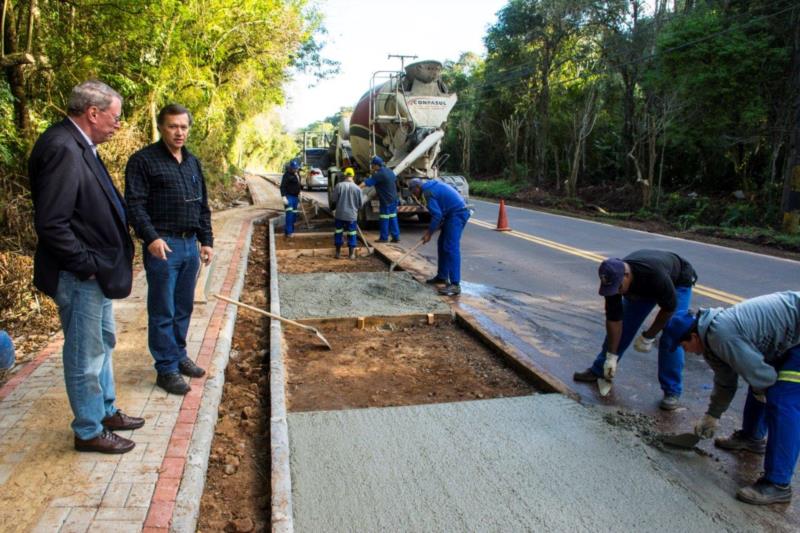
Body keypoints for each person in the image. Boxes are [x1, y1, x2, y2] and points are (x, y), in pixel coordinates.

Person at [29, 80, 143, 454]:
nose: (118, 124)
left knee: (103, 343)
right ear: (93, 113)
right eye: (115, 116)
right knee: (85, 354)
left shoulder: (81, 145)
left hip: (96, 274)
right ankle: (89, 429)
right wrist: (87, 265)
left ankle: (105, 410)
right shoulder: (62, 147)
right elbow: (52, 223)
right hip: (80, 277)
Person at [662, 291, 800, 505]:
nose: (687, 351)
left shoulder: (721, 335)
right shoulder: (710, 340)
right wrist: (712, 416)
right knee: (758, 382)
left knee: (782, 399)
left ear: (694, 337)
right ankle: (751, 437)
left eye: (684, 346)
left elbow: (763, 377)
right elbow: (727, 383)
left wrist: (762, 390)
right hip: (788, 337)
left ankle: (778, 484)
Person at [125, 104, 213, 396]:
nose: (179, 132)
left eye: (184, 127)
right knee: (163, 309)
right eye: (173, 126)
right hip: (163, 246)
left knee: (183, 307)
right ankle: (166, 369)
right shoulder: (143, 161)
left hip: (190, 246)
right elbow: (134, 205)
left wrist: (207, 240)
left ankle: (178, 355)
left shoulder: (192, 162)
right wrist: (150, 238)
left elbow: (202, 206)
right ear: (161, 127)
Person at [573, 250, 697, 410]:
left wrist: (649, 336)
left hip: (676, 282)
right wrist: (611, 356)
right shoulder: (613, 280)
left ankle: (672, 391)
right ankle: (600, 370)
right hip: (642, 288)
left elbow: (668, 309)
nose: (616, 292)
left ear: (626, 275)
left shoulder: (654, 275)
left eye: (619, 288)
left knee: (673, 333)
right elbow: (614, 320)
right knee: (624, 326)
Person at [408, 178, 470, 296]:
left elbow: (437, 215)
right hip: (451, 214)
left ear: (417, 187)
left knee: (451, 248)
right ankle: (442, 276)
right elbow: (440, 213)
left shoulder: (428, 193)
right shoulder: (430, 187)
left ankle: (455, 284)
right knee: (442, 244)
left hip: (457, 214)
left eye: (412, 191)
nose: (413, 195)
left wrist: (428, 234)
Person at [361, 156, 399, 243]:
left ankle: (384, 238)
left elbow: (367, 183)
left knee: (384, 218)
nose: (372, 167)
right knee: (393, 217)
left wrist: (356, 187)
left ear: (376, 165)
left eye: (373, 166)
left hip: (386, 200)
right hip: (393, 198)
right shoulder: (390, 171)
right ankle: (396, 236)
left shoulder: (379, 174)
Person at [331, 167, 363, 259]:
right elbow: (360, 204)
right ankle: (351, 254)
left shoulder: (339, 186)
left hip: (340, 214)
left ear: (345, 175)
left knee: (338, 232)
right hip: (352, 215)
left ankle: (337, 253)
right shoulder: (357, 188)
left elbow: (334, 200)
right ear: (353, 176)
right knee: (352, 233)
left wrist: (333, 208)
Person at [280, 159, 301, 237]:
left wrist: (300, 192)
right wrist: (283, 197)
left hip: (295, 197)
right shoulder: (286, 175)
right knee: (289, 215)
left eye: (296, 168)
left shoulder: (297, 174)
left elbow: (298, 185)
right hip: (289, 197)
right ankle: (289, 233)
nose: (295, 169)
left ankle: (290, 231)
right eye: (294, 168)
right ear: (291, 168)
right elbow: (282, 187)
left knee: (294, 215)